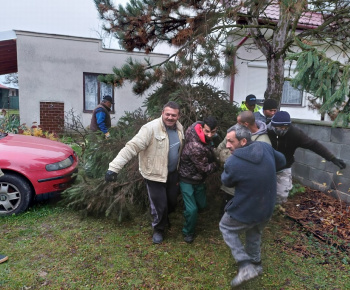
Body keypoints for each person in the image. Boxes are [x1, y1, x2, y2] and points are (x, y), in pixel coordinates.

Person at [104, 101, 184, 244]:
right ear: (162, 113)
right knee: (160, 206)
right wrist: (114, 167)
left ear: (178, 116)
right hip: (154, 175)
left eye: (174, 115)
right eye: (168, 114)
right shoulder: (150, 129)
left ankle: (164, 218)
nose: (170, 117)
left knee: (171, 202)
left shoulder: (179, 128)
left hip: (172, 174)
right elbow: (132, 147)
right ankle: (158, 229)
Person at [219, 124, 286, 287]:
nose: (227, 146)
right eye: (227, 141)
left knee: (226, 227)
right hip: (267, 207)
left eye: (230, 142)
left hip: (246, 209)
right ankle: (256, 263)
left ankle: (244, 265)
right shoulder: (264, 147)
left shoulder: (233, 162)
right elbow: (282, 160)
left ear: (243, 141)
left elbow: (226, 181)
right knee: (254, 230)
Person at [267, 111, 347, 204]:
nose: (283, 130)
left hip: (284, 167)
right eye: (280, 128)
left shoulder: (295, 134)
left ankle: (277, 209)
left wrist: (332, 158)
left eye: (285, 128)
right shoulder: (266, 131)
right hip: (267, 166)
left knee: (282, 195)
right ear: (273, 125)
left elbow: (313, 145)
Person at [215, 111, 271, 213]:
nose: (236, 125)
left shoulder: (263, 141)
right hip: (231, 188)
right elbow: (221, 148)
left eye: (238, 122)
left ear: (245, 124)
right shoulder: (234, 131)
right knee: (225, 209)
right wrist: (225, 158)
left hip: (248, 189)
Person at [178, 116, 218, 243]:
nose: (210, 135)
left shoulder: (206, 137)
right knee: (192, 210)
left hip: (199, 180)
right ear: (201, 128)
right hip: (187, 179)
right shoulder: (195, 146)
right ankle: (188, 232)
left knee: (202, 205)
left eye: (213, 132)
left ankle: (189, 213)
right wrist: (218, 163)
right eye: (207, 131)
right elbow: (205, 168)